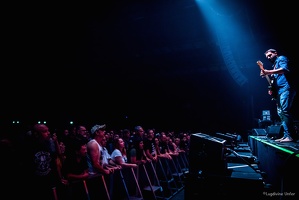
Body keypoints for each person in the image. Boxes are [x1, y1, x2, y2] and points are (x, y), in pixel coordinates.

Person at [260, 48, 297, 142]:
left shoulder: (281, 58)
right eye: (267, 56)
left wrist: (269, 72)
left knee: (284, 111)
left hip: (286, 88)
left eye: (270, 55)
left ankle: (291, 135)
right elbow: (273, 80)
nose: (268, 57)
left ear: (275, 53)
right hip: (280, 91)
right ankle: (286, 135)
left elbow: (284, 69)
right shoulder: (274, 66)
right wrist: (266, 77)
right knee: (280, 113)